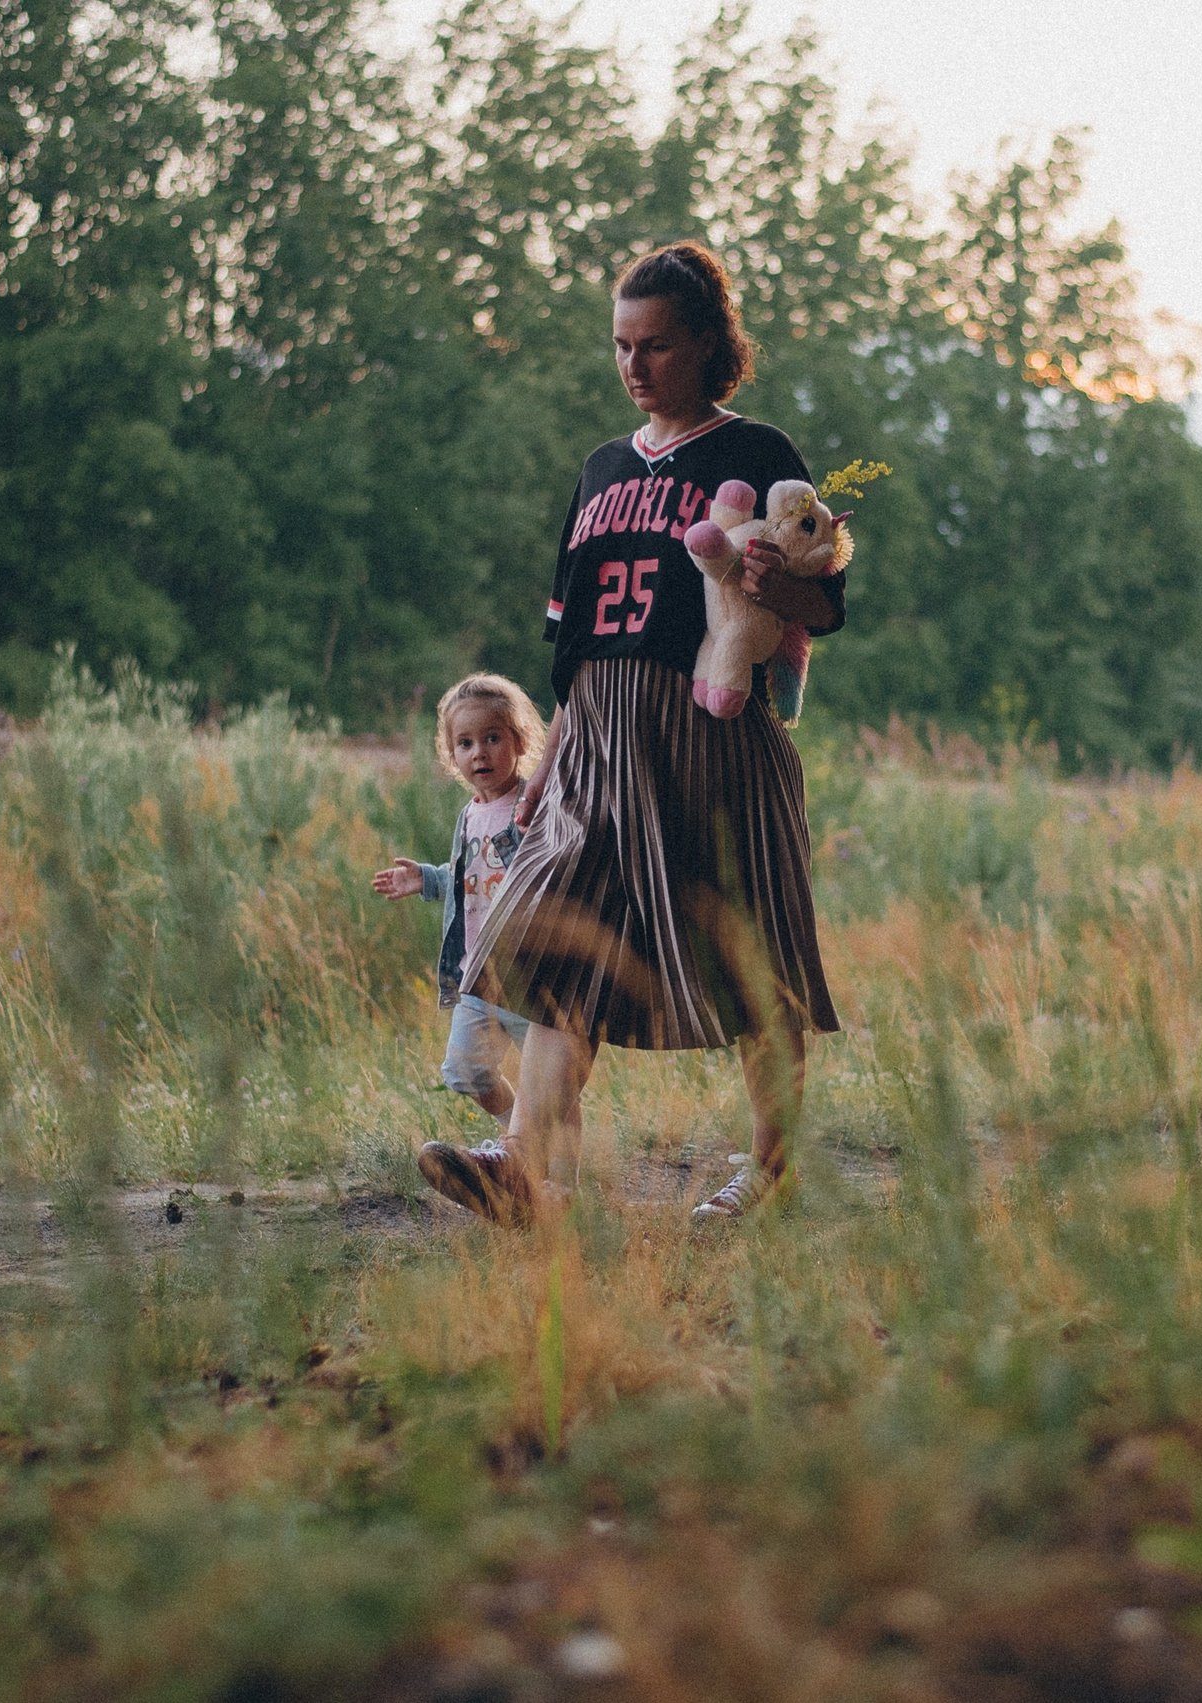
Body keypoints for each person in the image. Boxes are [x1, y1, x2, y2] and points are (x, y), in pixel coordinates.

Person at [418, 240, 845, 1228]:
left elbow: (825, 606)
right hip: (599, 745)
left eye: (654, 345)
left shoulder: (756, 452)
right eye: (620, 345)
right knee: (564, 943)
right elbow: (575, 637)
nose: (633, 364)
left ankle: (773, 1169)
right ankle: (523, 1164)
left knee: (749, 957)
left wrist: (775, 585)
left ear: (706, 344)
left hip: (711, 739)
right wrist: (555, 756)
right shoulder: (603, 467)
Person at [372, 674, 548, 1137]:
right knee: (466, 1072)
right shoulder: (469, 815)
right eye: (465, 743)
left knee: (551, 1086)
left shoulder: (533, 807)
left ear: (520, 740)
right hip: (478, 975)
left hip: (530, 975)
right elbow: (470, 875)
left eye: (492, 738)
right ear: (452, 756)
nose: (479, 753)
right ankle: (521, 1139)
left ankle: (555, 1168)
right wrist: (427, 879)